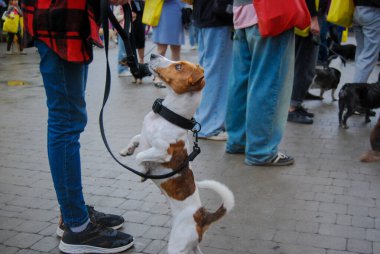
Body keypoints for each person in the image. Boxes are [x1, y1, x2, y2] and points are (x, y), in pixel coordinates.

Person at [21, 0, 134, 253]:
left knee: (68, 122)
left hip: (67, 20)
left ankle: (72, 213)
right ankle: (78, 228)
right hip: (60, 19)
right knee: (66, 124)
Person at [225, 0, 295, 166]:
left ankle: (237, 141)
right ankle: (261, 150)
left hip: (241, 11)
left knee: (240, 82)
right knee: (267, 81)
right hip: (270, 11)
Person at [192, 0, 233, 140]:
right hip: (217, 16)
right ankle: (210, 125)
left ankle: (203, 120)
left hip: (204, 14)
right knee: (217, 72)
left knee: (208, 70)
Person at [287, 0, 321, 125]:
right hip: (306, 21)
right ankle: (292, 107)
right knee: (305, 66)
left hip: (303, 18)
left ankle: (294, 103)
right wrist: (313, 18)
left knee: (301, 65)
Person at [151, 0, 185, 87]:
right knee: (161, 48)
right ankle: (157, 76)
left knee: (176, 47)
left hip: (177, 10)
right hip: (163, 11)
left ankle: (176, 75)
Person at [114, 1, 146, 80]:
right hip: (122, 29)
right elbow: (115, 16)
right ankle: (121, 70)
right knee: (123, 50)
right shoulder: (120, 3)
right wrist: (127, 15)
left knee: (128, 50)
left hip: (130, 29)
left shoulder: (136, 2)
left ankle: (129, 69)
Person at [352, 0, 380, 83]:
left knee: (361, 53)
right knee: (368, 56)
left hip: (357, 9)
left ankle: (356, 87)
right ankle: (355, 90)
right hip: (373, 11)